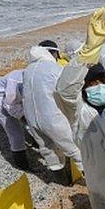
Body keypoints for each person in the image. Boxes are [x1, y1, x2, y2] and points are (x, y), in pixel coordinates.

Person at [22, 42, 83, 185]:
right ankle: (93, 181)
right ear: (54, 54)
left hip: (33, 119)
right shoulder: (53, 68)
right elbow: (67, 90)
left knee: (48, 150)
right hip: (52, 118)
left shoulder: (28, 70)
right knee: (74, 149)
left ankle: (61, 183)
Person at [0, 69, 29, 171]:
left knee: (31, 121)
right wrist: (23, 118)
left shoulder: (35, 76)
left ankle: (34, 141)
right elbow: (9, 104)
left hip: (16, 97)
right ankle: (21, 164)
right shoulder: (16, 80)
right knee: (15, 133)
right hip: (0, 98)